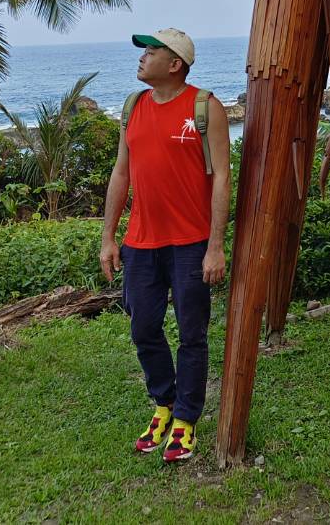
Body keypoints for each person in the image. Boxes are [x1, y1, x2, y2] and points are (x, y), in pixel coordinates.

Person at [100, 28, 230, 464]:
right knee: (143, 327)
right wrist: (108, 237)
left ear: (174, 64)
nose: (142, 58)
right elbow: (122, 174)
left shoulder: (204, 107)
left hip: (191, 244)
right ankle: (165, 401)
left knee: (192, 334)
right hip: (141, 243)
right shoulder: (133, 106)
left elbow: (222, 179)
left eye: (151, 52)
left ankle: (187, 420)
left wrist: (216, 245)